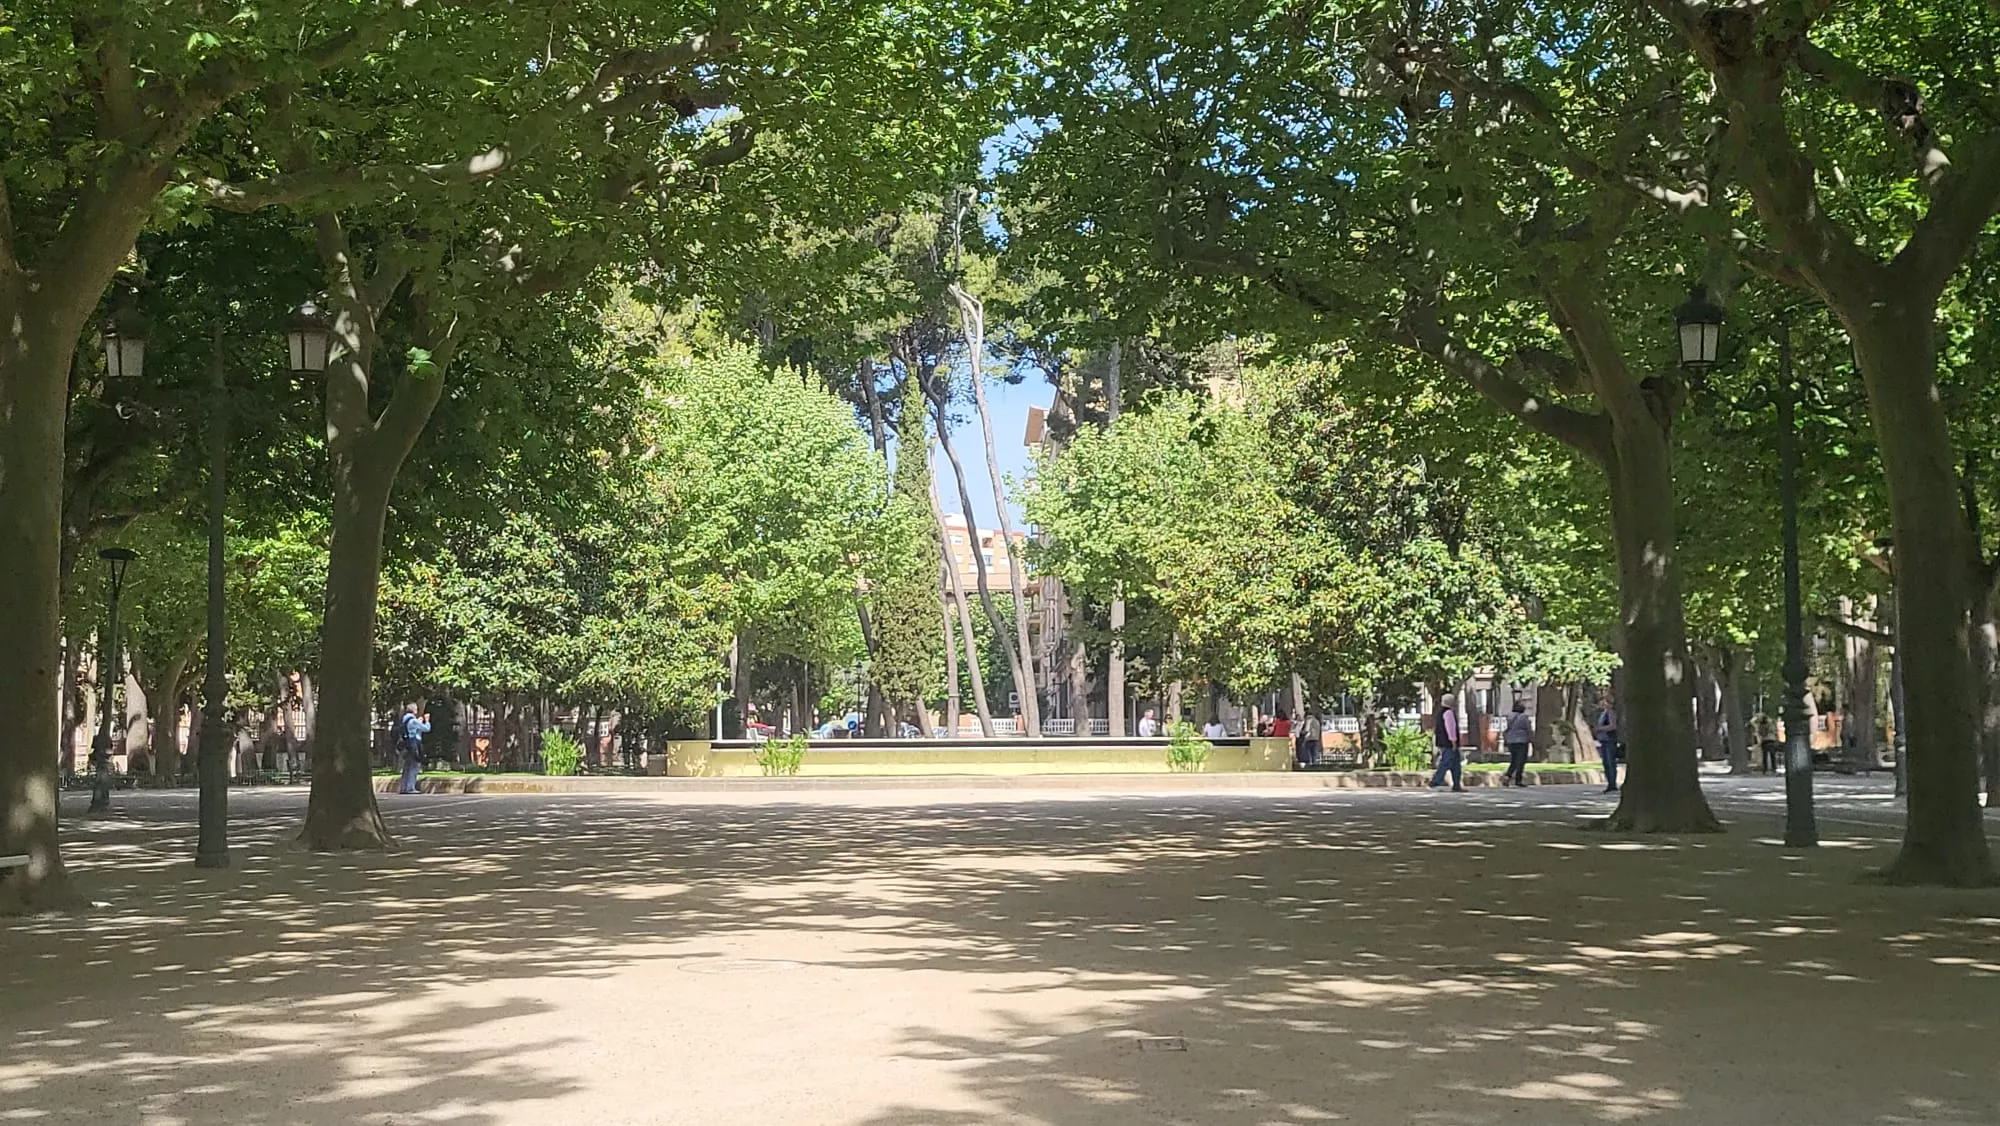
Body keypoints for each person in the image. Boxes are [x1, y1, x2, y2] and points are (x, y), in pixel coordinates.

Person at [1428, 693, 1464, 792]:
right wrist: (1453, 741)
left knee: (1456, 764)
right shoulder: (1448, 713)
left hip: (1443, 742)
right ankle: (1435, 782)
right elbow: (1450, 728)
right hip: (1448, 743)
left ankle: (1456, 785)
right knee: (1445, 763)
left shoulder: (1441, 713)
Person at [397, 704, 431, 795]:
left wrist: (418, 721)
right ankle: (410, 787)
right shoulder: (413, 721)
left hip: (406, 744)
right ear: (413, 710)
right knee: (414, 766)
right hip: (414, 744)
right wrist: (426, 721)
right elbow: (426, 729)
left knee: (407, 766)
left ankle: (403, 787)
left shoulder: (405, 719)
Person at [1501, 700, 1534, 787]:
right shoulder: (1524, 717)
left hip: (1511, 740)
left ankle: (1508, 776)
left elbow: (1507, 728)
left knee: (1514, 760)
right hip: (1522, 741)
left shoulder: (1510, 717)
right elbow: (1528, 729)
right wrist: (1532, 739)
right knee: (1521, 761)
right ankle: (1518, 779)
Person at [1593, 696, 1620, 793]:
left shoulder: (1611, 713)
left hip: (1609, 740)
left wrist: (1600, 728)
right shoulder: (1602, 713)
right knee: (1605, 763)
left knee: (1610, 762)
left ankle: (1612, 784)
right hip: (1603, 740)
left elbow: (1613, 726)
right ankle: (1609, 782)